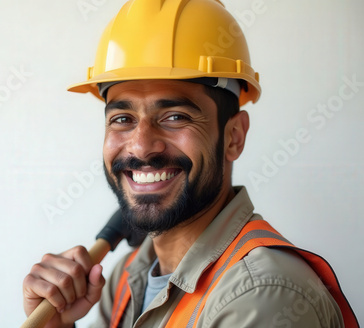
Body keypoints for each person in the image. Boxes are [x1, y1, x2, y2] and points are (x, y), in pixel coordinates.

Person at [22, 0, 358, 327]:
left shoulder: (262, 295)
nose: (141, 147)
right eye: (122, 118)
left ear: (234, 137)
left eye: (175, 116)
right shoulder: (127, 277)